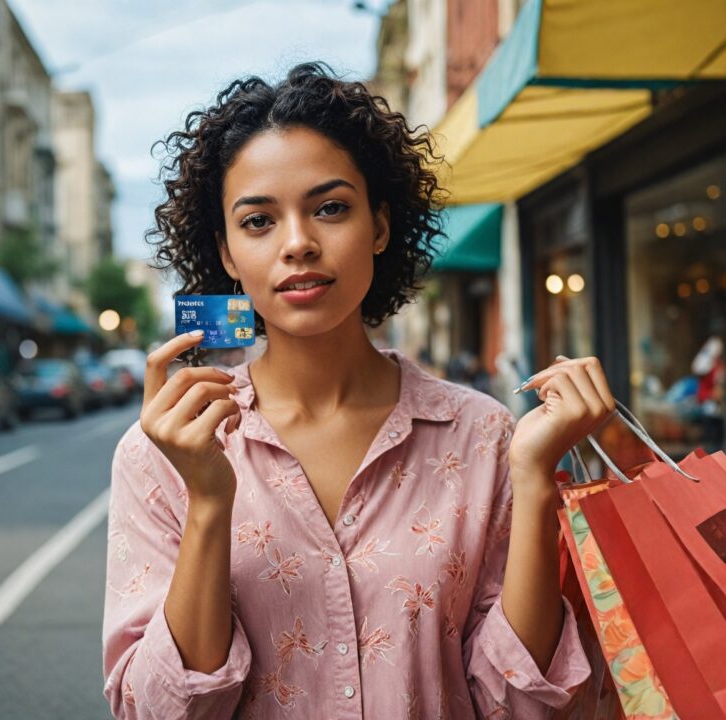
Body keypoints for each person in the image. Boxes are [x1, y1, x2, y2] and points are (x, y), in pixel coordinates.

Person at [102, 62, 607, 719]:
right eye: (258, 222)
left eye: (330, 208)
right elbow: (158, 711)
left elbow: (524, 706)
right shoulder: (160, 454)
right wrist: (206, 500)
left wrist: (537, 481)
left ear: (379, 226)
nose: (299, 244)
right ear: (226, 254)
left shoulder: (483, 437)